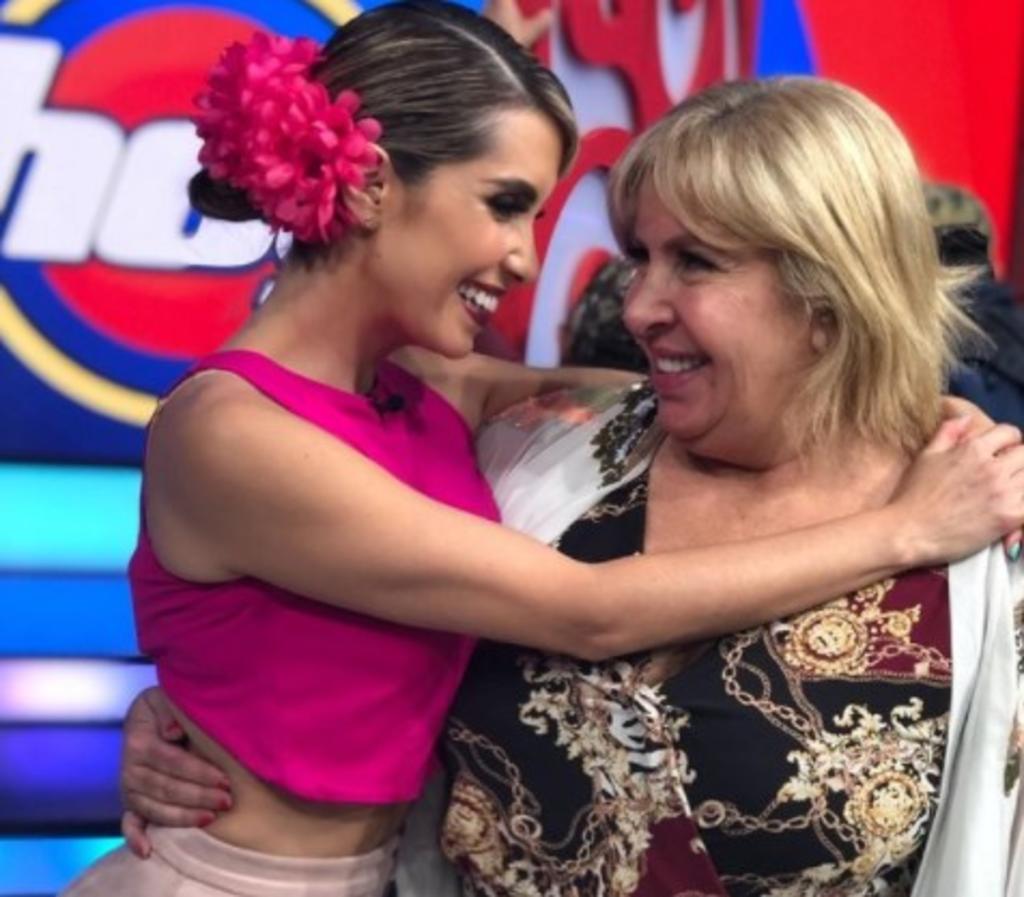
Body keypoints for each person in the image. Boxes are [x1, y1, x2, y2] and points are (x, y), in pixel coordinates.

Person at [118, 75, 1024, 897]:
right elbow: (545, 612)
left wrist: (907, 411)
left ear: (831, 292)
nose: (636, 307)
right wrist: (196, 718)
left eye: (695, 261)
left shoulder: (987, 541)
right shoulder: (539, 455)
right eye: (639, 256)